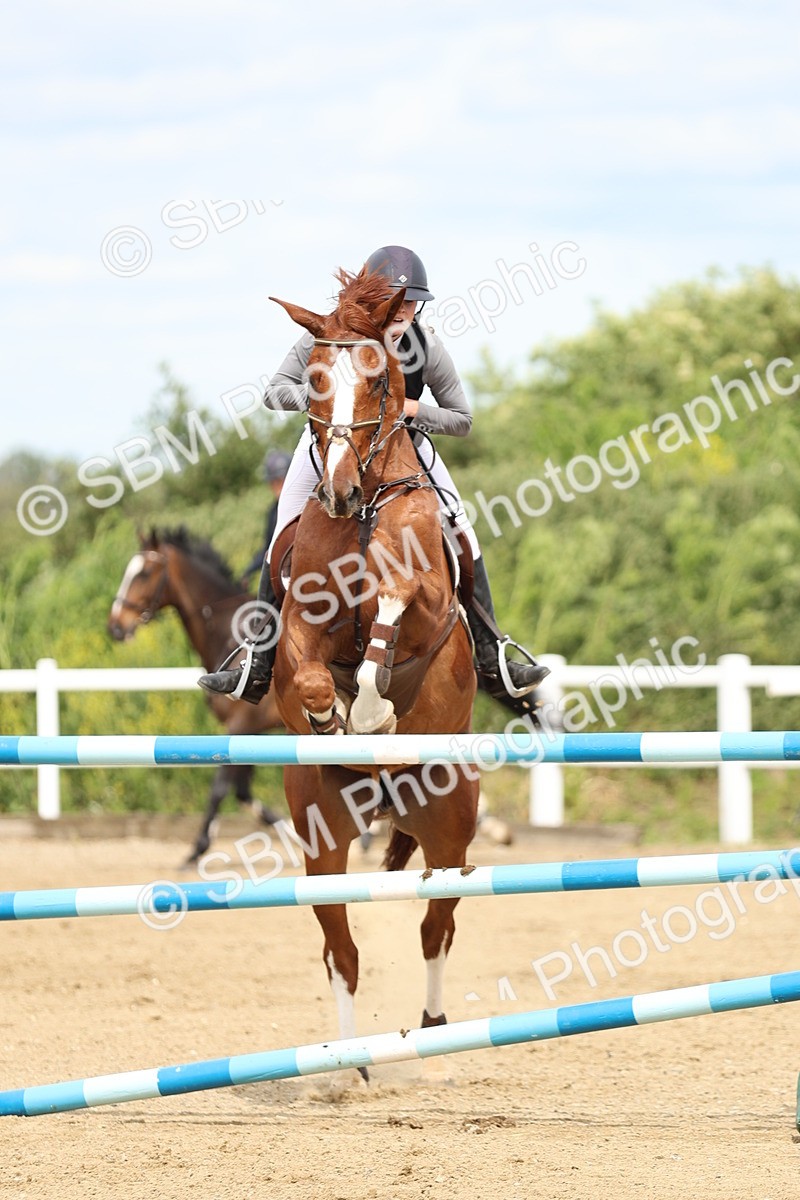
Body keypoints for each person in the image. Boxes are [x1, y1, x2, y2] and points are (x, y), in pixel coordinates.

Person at [200, 245, 550, 715]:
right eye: (396, 303)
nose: (404, 313)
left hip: (406, 450)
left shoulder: (426, 346)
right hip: (332, 449)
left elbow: (462, 419)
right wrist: (330, 394)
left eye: (410, 304)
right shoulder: (322, 336)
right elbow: (274, 392)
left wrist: (411, 410)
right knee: (281, 535)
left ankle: (492, 655)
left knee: (461, 528)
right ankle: (258, 663)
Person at [240, 448, 291, 592]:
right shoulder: (273, 512)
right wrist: (249, 570)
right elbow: (268, 548)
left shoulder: (307, 506)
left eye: (279, 481)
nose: (276, 487)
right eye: (273, 482)